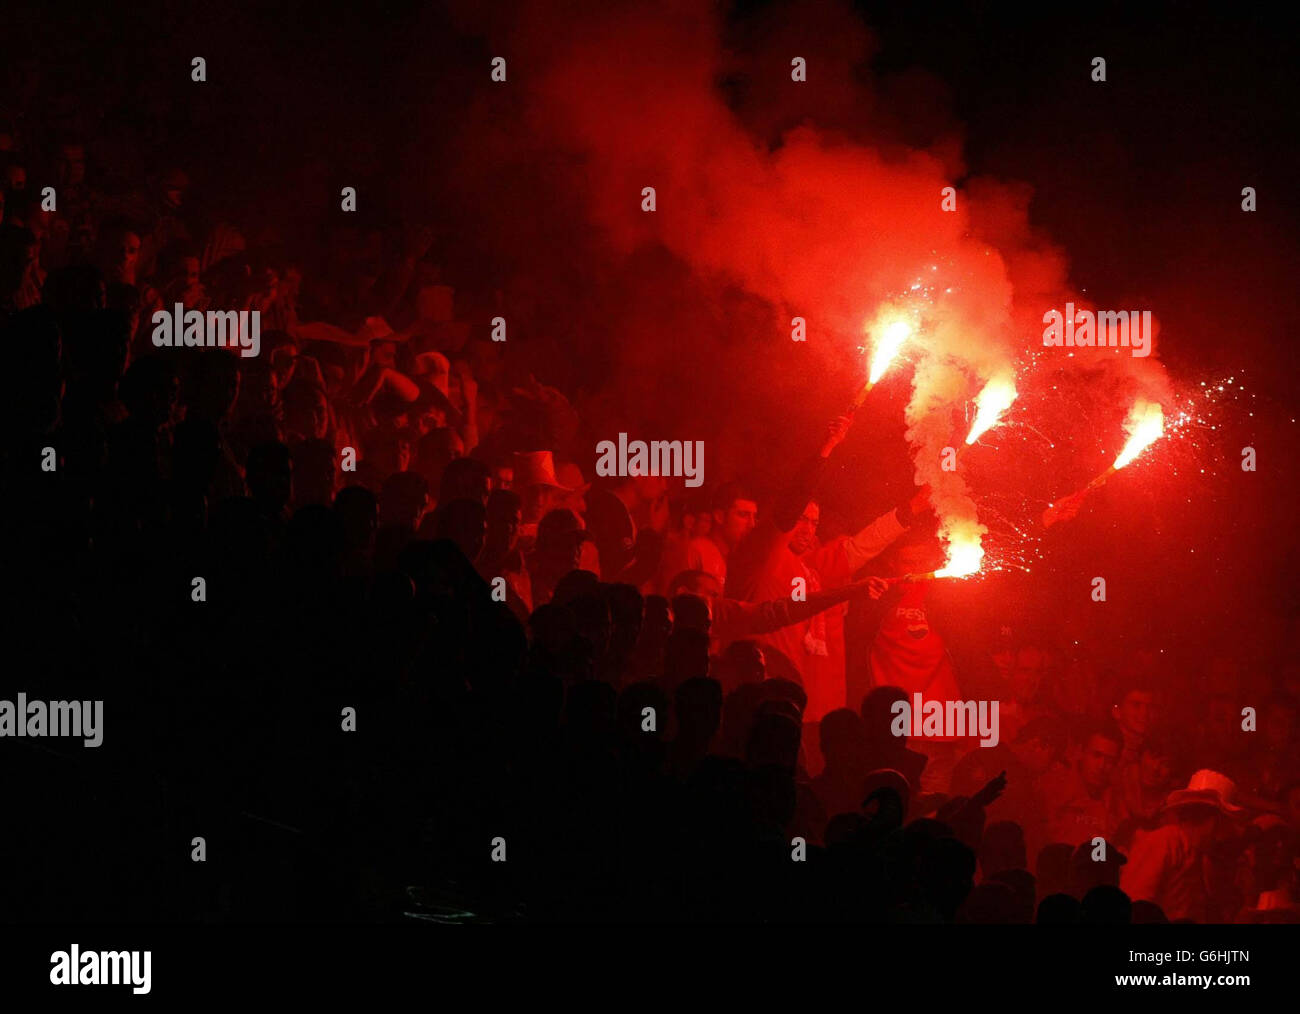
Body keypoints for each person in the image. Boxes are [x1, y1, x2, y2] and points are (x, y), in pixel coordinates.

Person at [1121, 770, 1244, 922]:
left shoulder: (1202, 858)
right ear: (1214, 821)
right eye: (1227, 823)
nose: (1226, 833)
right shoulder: (1165, 841)